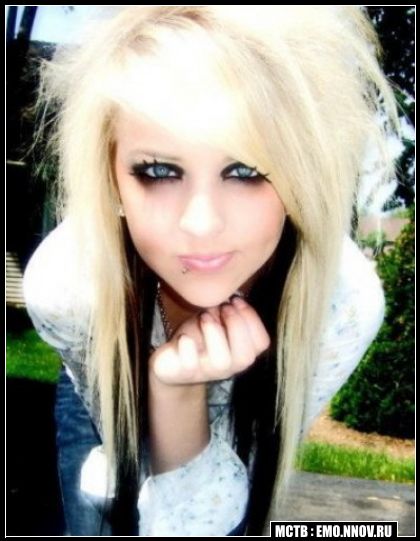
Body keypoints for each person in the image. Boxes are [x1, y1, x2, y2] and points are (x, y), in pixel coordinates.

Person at [23, 6, 400, 536]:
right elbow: (128, 458)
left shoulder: (341, 302)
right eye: (159, 171)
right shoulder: (69, 283)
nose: (200, 224)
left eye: (246, 170)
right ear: (110, 177)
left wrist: (177, 394)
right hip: (109, 401)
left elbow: (205, 519)